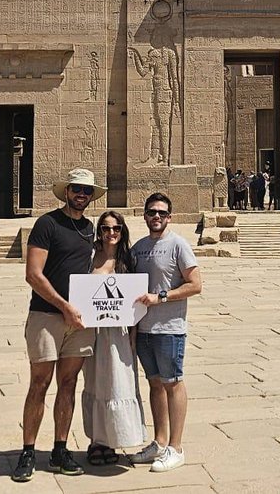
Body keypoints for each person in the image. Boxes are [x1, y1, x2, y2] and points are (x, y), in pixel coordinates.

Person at [13, 169, 105, 482]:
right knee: (39, 383)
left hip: (79, 320)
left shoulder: (89, 229)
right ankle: (28, 451)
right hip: (47, 315)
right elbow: (33, 274)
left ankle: (60, 448)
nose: (82, 195)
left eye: (87, 191)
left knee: (68, 383)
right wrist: (64, 306)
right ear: (66, 191)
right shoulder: (47, 224)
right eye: (77, 189)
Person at [128, 192, 202, 472]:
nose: (156, 216)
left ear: (169, 217)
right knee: (155, 384)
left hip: (169, 328)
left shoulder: (178, 244)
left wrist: (161, 296)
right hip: (144, 329)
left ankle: (176, 447)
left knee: (173, 383)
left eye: (161, 212)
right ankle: (159, 443)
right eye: (151, 212)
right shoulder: (138, 248)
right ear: (145, 215)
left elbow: (195, 284)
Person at [82, 211, 146, 466]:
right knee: (95, 382)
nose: (111, 233)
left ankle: (113, 438)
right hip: (92, 330)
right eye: (106, 228)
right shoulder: (88, 256)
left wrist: (134, 332)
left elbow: (137, 298)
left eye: (116, 228)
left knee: (118, 384)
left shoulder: (128, 259)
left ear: (122, 231)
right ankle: (96, 440)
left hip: (119, 333)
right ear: (99, 230)